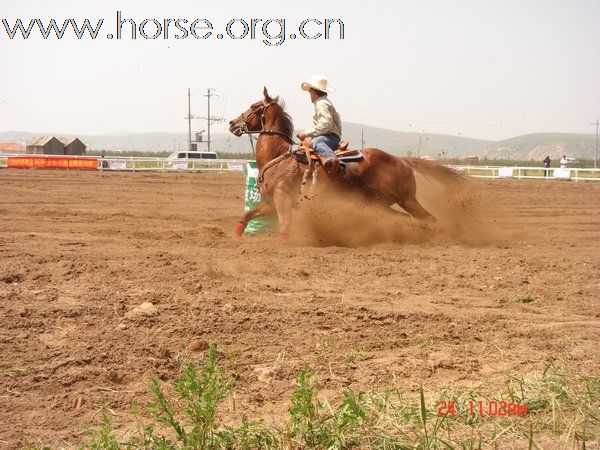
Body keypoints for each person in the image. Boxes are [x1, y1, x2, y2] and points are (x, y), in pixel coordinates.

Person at [296, 76, 343, 175]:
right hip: (330, 137)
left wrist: (305, 133)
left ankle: (333, 161)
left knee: (317, 142)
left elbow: (326, 125)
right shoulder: (323, 103)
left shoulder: (321, 103)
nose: (309, 94)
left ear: (313, 92)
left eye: (309, 91)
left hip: (330, 137)